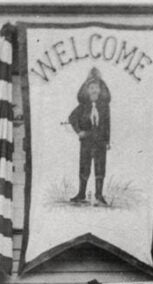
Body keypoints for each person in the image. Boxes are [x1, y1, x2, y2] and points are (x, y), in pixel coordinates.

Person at [67, 68, 111, 206]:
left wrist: (107, 141)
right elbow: (72, 118)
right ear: (86, 90)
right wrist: (79, 131)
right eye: (91, 87)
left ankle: (99, 195)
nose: (94, 90)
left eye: (96, 87)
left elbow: (108, 124)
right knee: (84, 166)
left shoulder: (104, 107)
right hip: (86, 142)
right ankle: (81, 194)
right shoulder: (82, 107)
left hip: (100, 143)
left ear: (100, 89)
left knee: (100, 167)